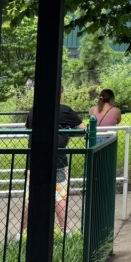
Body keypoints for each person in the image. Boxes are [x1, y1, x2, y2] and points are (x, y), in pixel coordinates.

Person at [19, 91, 85, 239]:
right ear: (60, 94)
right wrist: (68, 133)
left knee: (30, 196)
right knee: (59, 195)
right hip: (58, 160)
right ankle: (65, 230)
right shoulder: (64, 110)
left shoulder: (34, 110)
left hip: (34, 159)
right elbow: (83, 128)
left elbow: (28, 128)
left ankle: (22, 232)